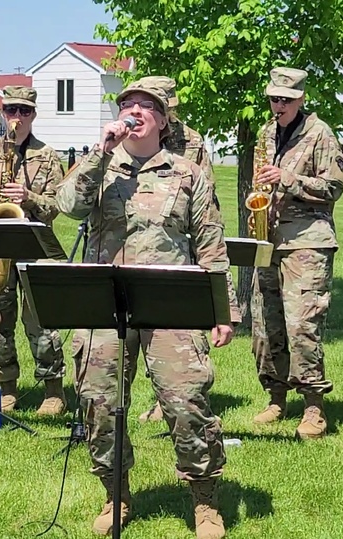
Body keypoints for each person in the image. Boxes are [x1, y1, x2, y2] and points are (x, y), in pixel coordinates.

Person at [57, 79, 240, 539]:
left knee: (185, 402)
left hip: (170, 302)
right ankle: (115, 494)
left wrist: (223, 308)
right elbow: (69, 207)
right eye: (126, 105)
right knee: (98, 402)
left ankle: (204, 499)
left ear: (162, 119)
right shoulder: (100, 165)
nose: (133, 112)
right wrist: (100, 152)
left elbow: (212, 245)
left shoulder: (187, 173)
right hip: (106, 302)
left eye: (144, 106)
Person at [250, 67, 343, 440]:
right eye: (274, 99)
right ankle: (276, 397)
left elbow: (334, 186)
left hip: (308, 241)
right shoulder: (265, 132)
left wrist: (287, 180)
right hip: (269, 239)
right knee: (265, 324)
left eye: (285, 100)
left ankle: (313, 406)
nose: (278, 106)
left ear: (301, 98)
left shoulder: (319, 133)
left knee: (302, 325)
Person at [0, 85, 68, 416]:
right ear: (3, 113)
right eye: (11, 110)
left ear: (33, 115)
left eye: (24, 111)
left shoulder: (48, 156)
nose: (17, 117)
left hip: (35, 247)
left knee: (42, 324)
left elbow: (56, 207)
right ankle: (6, 387)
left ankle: (53, 390)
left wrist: (29, 198)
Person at [130, 75, 217, 424]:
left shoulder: (191, 142)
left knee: (180, 335)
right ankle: (158, 397)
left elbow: (203, 189)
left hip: (180, 239)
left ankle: (176, 397)